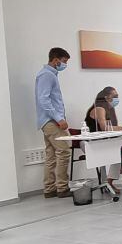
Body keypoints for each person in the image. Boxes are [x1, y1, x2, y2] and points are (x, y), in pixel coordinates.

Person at [85, 87, 122, 193]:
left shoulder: (110, 109)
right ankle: (113, 180)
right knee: (118, 150)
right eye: (115, 96)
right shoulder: (99, 108)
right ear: (106, 97)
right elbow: (105, 127)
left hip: (103, 140)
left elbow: (113, 127)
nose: (117, 99)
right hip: (90, 143)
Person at [35, 47, 72, 198]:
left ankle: (49, 189)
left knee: (51, 155)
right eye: (64, 61)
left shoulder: (47, 74)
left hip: (46, 121)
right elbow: (43, 99)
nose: (64, 65)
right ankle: (62, 188)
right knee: (64, 151)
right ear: (55, 60)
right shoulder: (47, 75)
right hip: (51, 121)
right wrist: (59, 119)